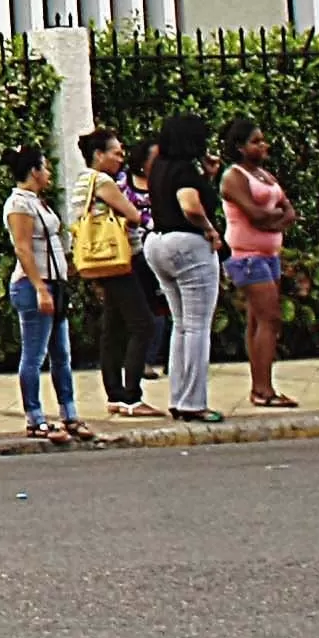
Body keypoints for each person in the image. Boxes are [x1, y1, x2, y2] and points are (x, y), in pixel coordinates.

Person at [2, 143, 96, 446]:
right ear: (34, 171)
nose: (49, 172)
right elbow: (23, 247)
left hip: (54, 283)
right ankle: (35, 417)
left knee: (61, 354)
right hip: (35, 285)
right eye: (45, 166)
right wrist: (40, 287)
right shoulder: (19, 204)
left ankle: (69, 413)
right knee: (35, 354)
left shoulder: (38, 202)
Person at [141, 112, 226, 426]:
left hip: (158, 242)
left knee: (181, 324)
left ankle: (179, 398)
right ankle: (193, 402)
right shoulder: (184, 170)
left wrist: (209, 177)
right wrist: (210, 230)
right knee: (198, 326)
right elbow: (190, 205)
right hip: (188, 245)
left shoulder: (159, 168)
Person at [73, 124, 156, 416]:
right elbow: (134, 215)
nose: (121, 159)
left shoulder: (82, 181)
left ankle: (115, 394)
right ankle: (132, 396)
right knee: (142, 324)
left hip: (99, 260)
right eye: (116, 153)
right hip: (117, 259)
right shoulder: (103, 182)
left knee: (113, 328)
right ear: (99, 155)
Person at [218, 119, 298, 409]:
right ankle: (264, 389)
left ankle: (259, 386)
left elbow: (289, 211)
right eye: (256, 141)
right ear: (239, 147)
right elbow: (255, 215)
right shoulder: (234, 177)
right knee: (270, 318)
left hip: (269, 255)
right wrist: (274, 221)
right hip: (246, 256)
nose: (263, 146)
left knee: (258, 320)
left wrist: (273, 221)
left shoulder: (265, 175)